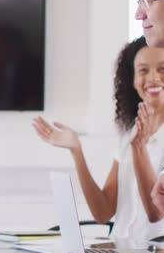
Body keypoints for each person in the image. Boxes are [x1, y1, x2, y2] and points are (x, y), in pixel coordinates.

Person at [33, 37, 164, 240]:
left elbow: (155, 213)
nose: (153, 78)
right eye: (143, 70)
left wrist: (139, 149)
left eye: (162, 69)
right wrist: (76, 151)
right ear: (133, 79)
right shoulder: (128, 135)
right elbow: (103, 212)